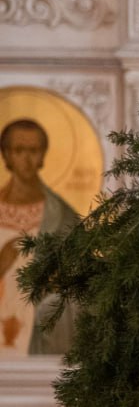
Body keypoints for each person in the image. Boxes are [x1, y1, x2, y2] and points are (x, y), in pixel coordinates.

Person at [0, 119, 79, 355]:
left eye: (33, 151)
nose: (26, 159)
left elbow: (82, 274)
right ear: (6, 155)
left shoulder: (62, 215)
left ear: (43, 155)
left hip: (40, 327)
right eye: (18, 150)